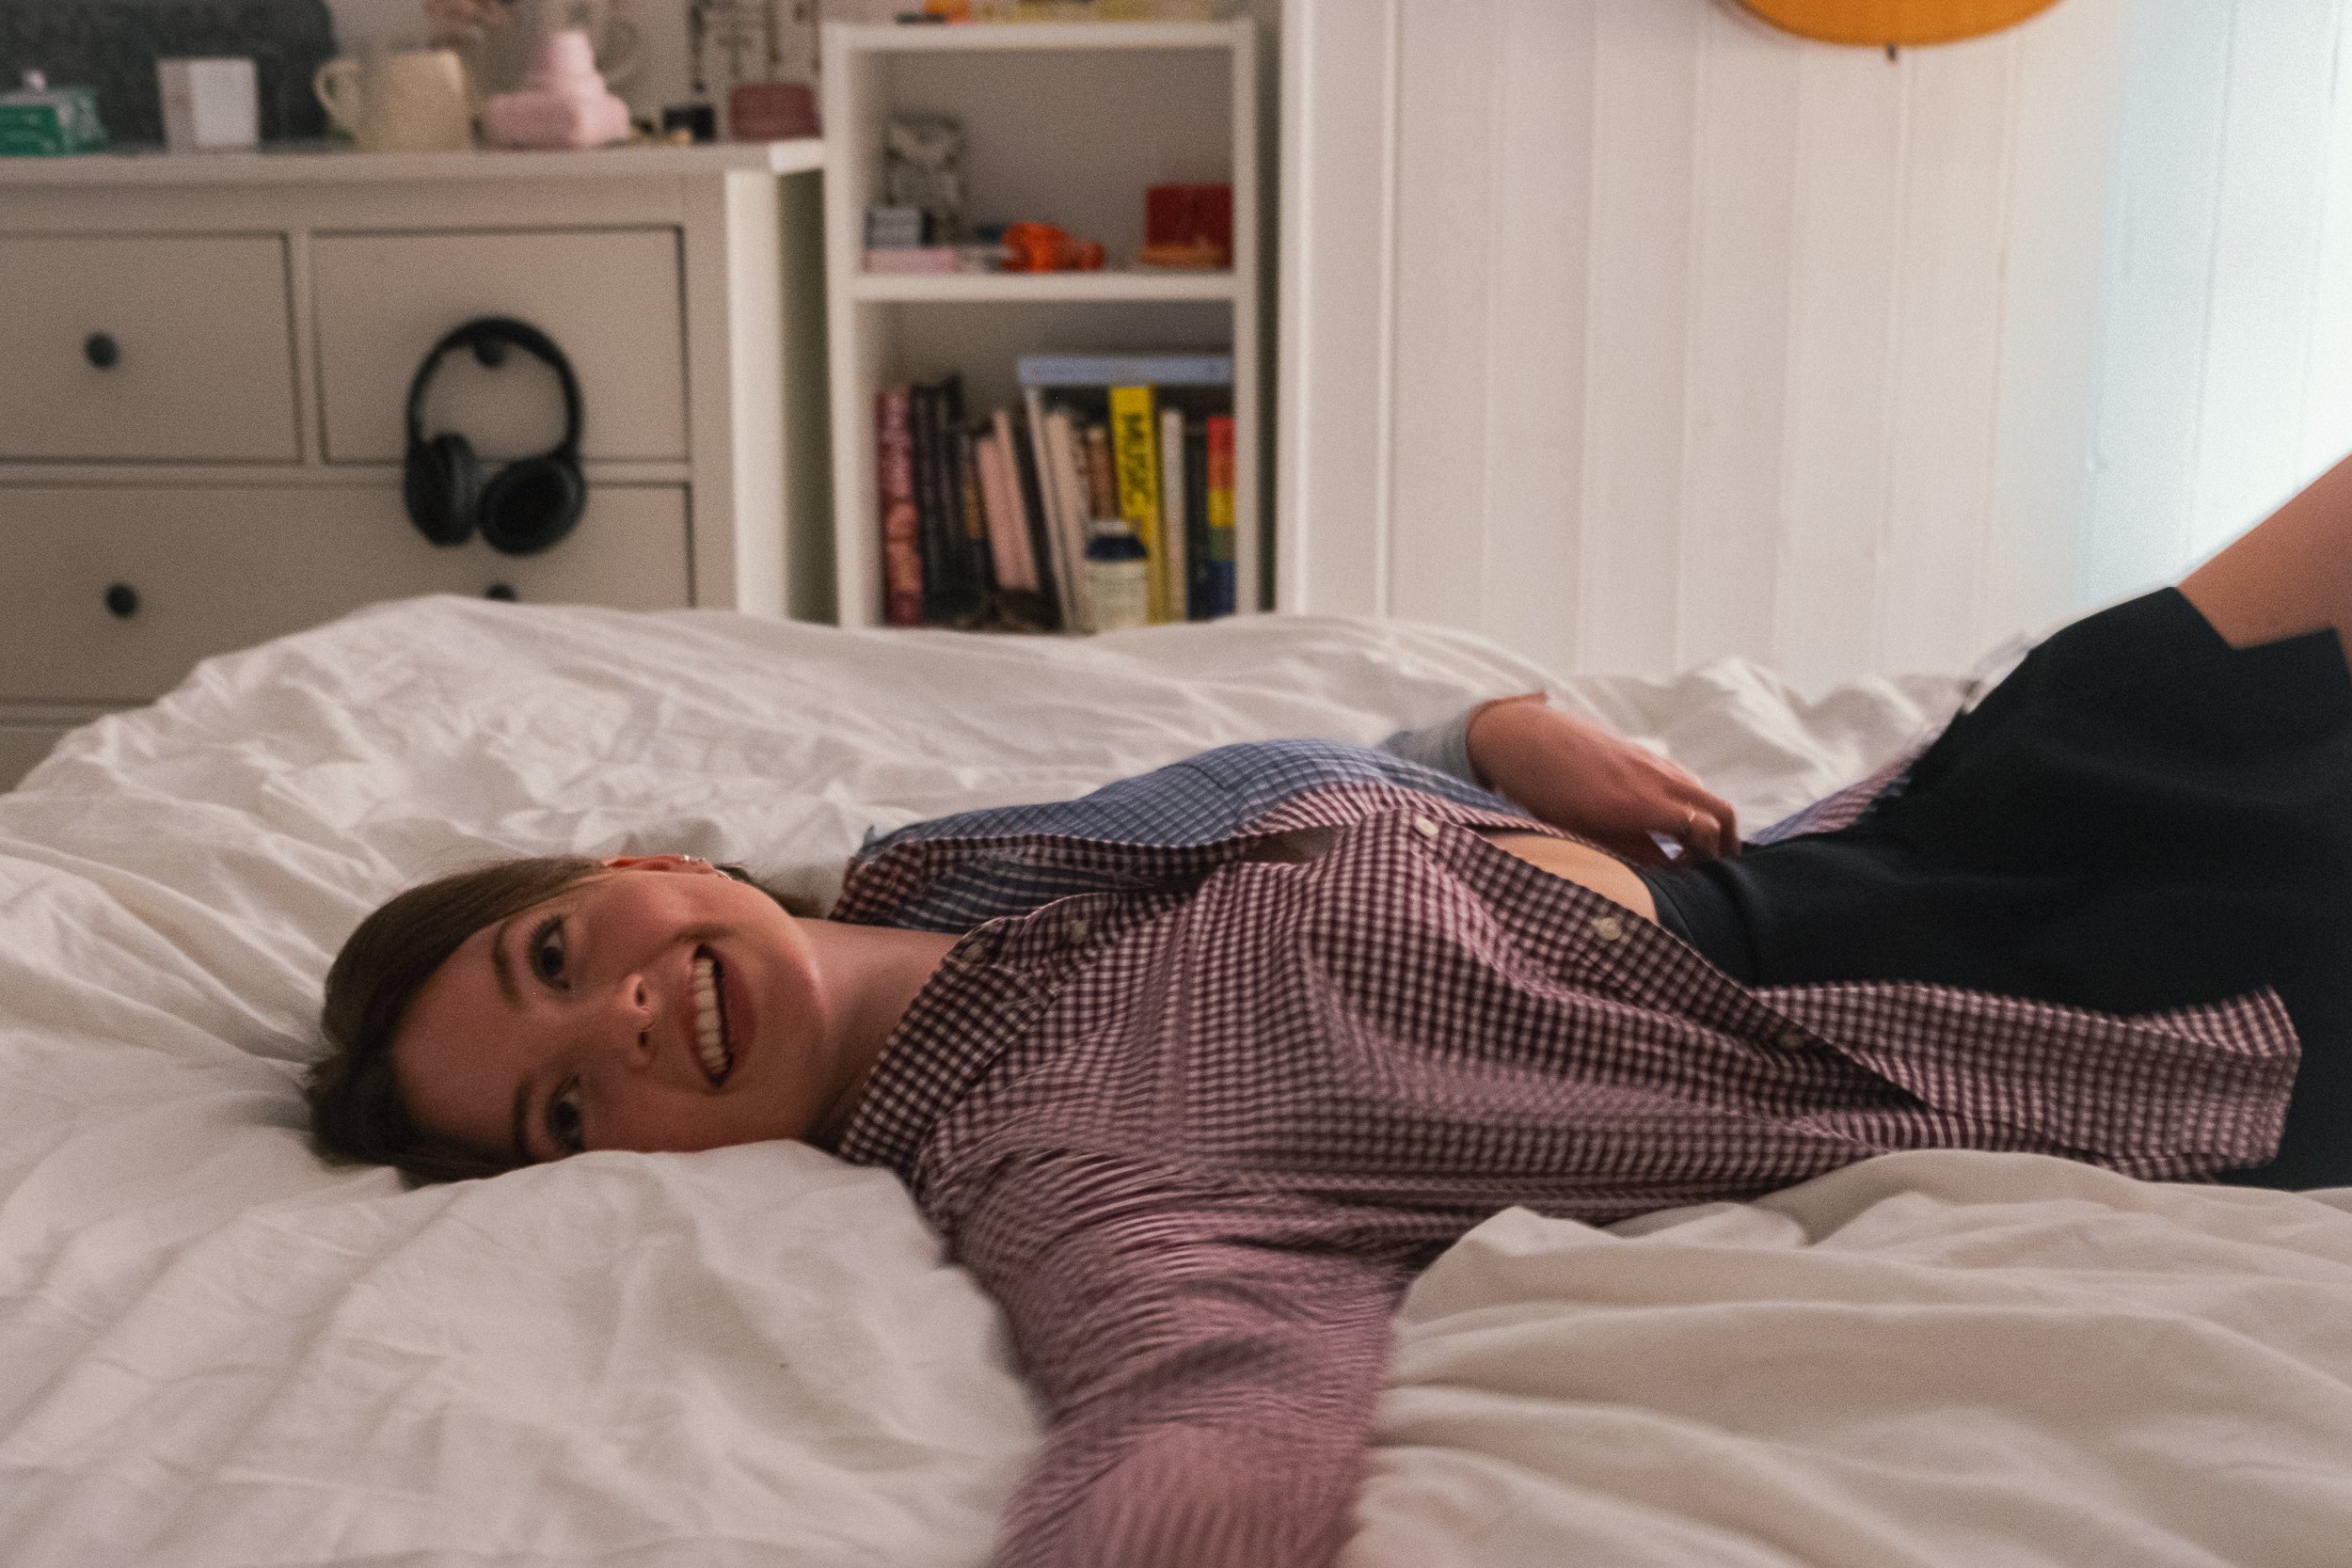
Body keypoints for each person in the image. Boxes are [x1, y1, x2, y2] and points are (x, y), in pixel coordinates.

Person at [307, 454, 2352, 1568]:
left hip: (1941, 810)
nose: (628, 1027)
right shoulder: (1051, 1154)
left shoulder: (967, 856)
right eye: (567, 1111)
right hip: (2060, 977)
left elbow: (1297, 767)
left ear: (631, 866)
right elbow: (1201, 1415)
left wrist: (1484, 725)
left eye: (559, 959)